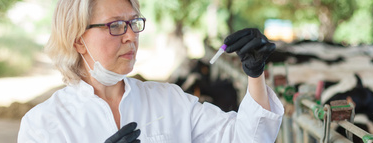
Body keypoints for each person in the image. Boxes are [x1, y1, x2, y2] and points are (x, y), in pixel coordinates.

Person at [17, 0, 284, 142]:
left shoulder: (169, 101)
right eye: (116, 25)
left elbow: (247, 139)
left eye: (134, 23)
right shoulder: (43, 125)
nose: (131, 36)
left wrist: (255, 74)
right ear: (78, 40)